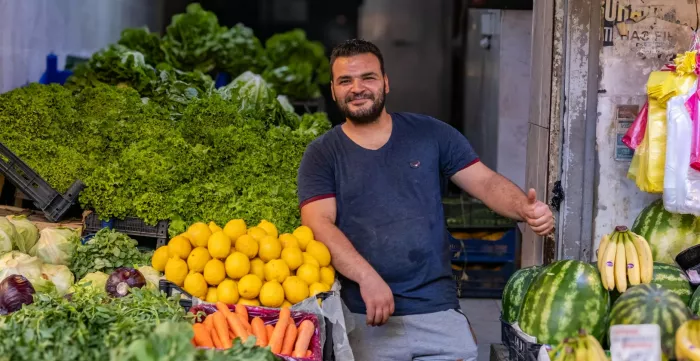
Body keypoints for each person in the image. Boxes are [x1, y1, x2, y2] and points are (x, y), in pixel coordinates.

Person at [296, 39, 554, 361]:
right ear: (333, 91)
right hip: (363, 312)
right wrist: (366, 277)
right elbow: (318, 223)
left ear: (386, 83)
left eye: (368, 77)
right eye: (345, 81)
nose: (357, 88)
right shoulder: (322, 153)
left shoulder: (430, 134)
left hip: (437, 308)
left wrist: (524, 209)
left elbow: (485, 182)